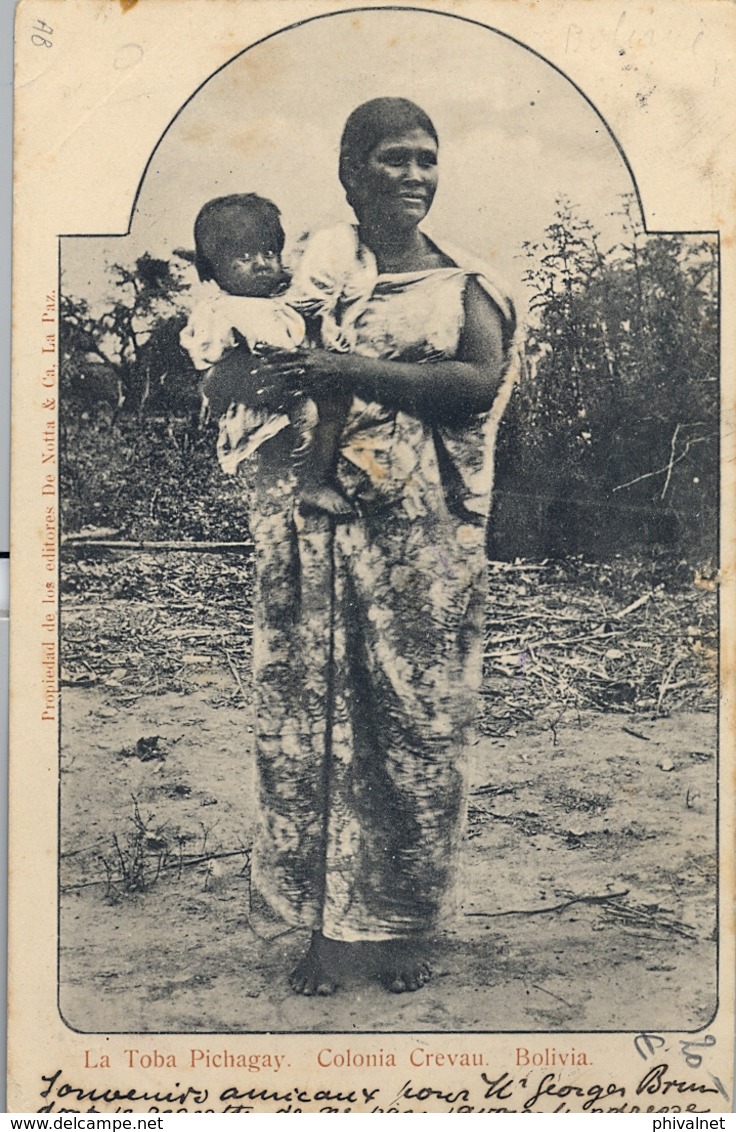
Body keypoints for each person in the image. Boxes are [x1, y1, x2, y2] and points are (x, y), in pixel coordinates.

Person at [205, 98, 517, 995]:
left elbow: (475, 385)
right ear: (350, 172)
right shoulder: (305, 273)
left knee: (413, 724)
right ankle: (326, 930)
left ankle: (402, 925)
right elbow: (235, 369)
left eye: (427, 158)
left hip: (422, 546)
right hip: (315, 532)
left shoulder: (462, 283)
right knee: (314, 722)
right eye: (393, 159)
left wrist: (346, 372)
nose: (414, 175)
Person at [180, 193, 354, 515]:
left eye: (269, 252)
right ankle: (312, 483)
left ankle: (314, 480)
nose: (261, 263)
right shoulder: (222, 309)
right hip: (263, 398)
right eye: (244, 256)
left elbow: (315, 325)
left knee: (331, 410)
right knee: (307, 426)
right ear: (214, 268)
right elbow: (211, 358)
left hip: (296, 384)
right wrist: (241, 362)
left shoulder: (284, 300)